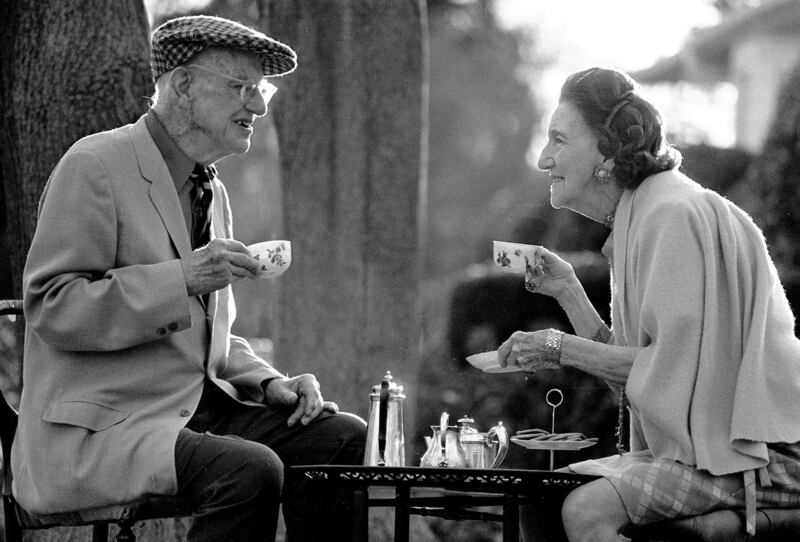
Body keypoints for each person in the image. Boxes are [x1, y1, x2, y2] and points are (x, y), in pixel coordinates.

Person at [15, 15, 366, 542]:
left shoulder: (211, 190)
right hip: (104, 429)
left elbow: (209, 339)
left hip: (189, 415)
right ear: (182, 85)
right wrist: (181, 277)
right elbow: (52, 307)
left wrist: (271, 382)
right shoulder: (94, 164)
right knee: (249, 472)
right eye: (239, 87)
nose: (260, 105)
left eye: (261, 87)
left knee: (338, 438)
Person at [497, 66, 800, 542]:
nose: (542, 159)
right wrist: (569, 291)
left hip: (766, 456)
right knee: (541, 497)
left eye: (558, 139)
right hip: (710, 450)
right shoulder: (644, 216)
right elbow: (642, 380)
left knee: (584, 511)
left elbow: (669, 372)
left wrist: (559, 347)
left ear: (607, 152)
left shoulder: (672, 215)